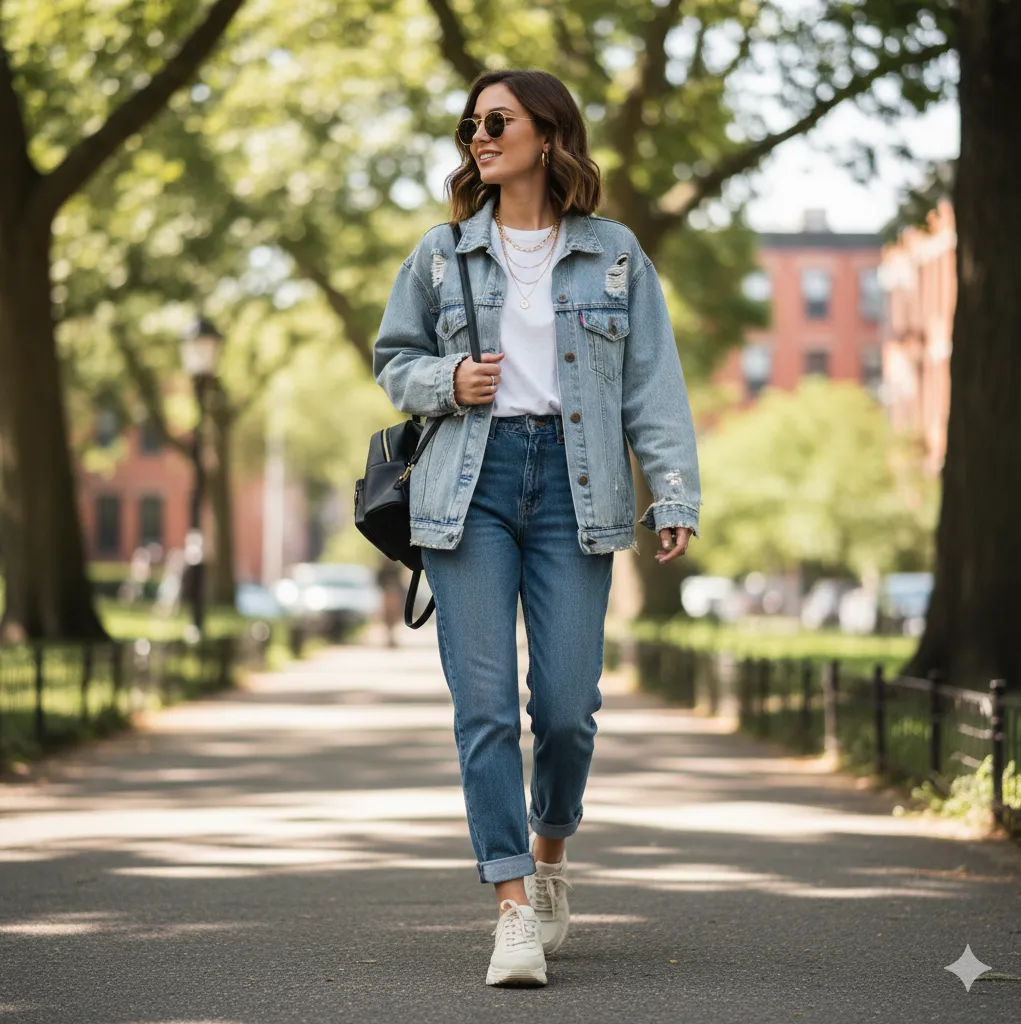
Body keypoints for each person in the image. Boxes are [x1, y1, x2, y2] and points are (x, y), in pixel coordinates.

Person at [372, 68, 701, 988]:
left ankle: (551, 862)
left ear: (548, 135)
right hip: (467, 486)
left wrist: (671, 493)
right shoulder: (440, 255)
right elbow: (394, 360)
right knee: (483, 711)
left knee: (564, 710)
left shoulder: (617, 255)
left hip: (574, 484)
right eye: (471, 122)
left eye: (498, 120)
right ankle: (511, 907)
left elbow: (653, 388)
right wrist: (447, 382)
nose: (479, 134)